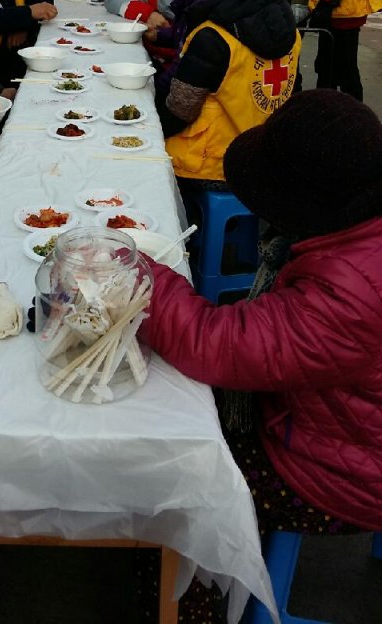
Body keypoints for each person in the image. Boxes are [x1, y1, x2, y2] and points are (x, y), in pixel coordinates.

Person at [139, 89, 382, 620]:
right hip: (352, 423)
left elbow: (214, 345)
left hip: (350, 471)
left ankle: (186, 608)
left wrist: (138, 272)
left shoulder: (349, 291)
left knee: (186, 489)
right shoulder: (360, 230)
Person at [158, 0, 299, 200]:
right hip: (264, 156)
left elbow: (180, 110)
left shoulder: (213, 36)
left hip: (213, 165)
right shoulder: (290, 30)